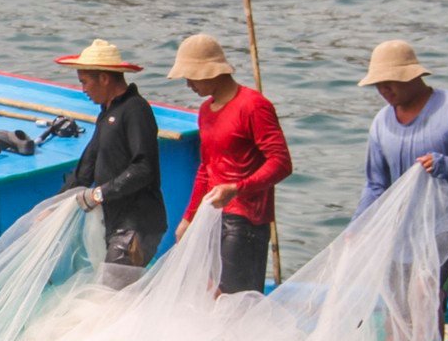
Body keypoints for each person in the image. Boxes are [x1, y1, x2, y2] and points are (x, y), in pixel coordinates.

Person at [355, 39, 448, 319]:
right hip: (402, 232)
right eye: (378, 84)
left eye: (391, 82)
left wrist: (447, 164)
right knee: (395, 306)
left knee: (425, 294)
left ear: (414, 77)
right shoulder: (381, 123)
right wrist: (358, 226)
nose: (384, 90)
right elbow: (375, 185)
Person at [169, 33, 293, 295]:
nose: (188, 84)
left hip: (246, 219)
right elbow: (206, 168)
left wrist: (237, 187)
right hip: (211, 215)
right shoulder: (205, 111)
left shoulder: (254, 105)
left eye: (191, 76)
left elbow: (281, 163)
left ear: (211, 72)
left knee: (234, 300)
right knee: (204, 292)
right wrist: (188, 218)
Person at [55, 38, 166, 276]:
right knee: (116, 293)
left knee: (112, 292)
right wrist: (56, 204)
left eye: (85, 82)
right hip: (115, 222)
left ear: (104, 78)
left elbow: (144, 167)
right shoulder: (107, 113)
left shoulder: (135, 110)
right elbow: (88, 165)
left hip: (137, 224)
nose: (82, 89)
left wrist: (99, 193)